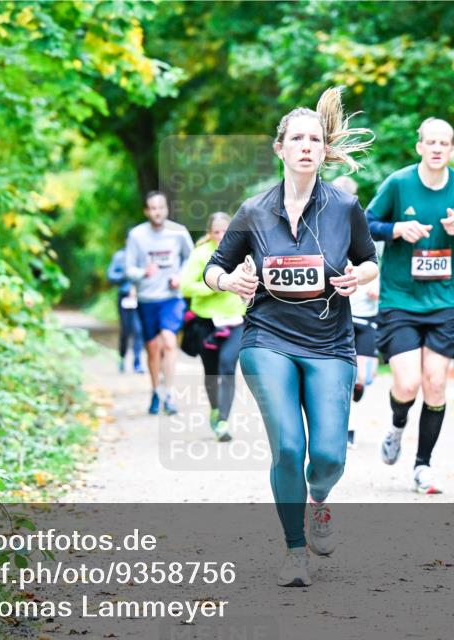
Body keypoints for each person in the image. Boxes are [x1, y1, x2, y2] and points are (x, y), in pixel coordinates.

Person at [204, 88, 378, 587]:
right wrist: (230, 281)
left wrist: (358, 278)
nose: (306, 146)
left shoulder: (345, 206)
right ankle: (294, 550)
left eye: (314, 139)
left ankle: (318, 501)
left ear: (325, 151)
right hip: (268, 339)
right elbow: (214, 269)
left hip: (329, 342)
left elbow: (368, 260)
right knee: (288, 447)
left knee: (327, 456)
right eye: (296, 138)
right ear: (279, 148)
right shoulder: (254, 211)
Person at [366, 117, 454, 495]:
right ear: (419, 146)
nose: (437, 148)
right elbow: (367, 222)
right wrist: (397, 230)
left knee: (435, 385)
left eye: (444, 143)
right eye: (430, 142)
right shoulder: (399, 184)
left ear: (452, 149)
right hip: (401, 298)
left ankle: (423, 466)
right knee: (408, 383)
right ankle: (397, 424)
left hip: (446, 300)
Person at [125, 191, 194, 415]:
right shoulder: (137, 236)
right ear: (146, 211)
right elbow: (128, 269)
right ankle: (156, 391)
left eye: (161, 207)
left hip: (171, 298)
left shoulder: (178, 232)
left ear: (167, 209)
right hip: (147, 299)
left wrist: (180, 276)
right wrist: (143, 272)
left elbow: (191, 259)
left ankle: (169, 393)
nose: (157, 212)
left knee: (168, 341)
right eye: (153, 208)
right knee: (153, 349)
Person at [180, 212, 247, 442]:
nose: (221, 236)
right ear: (209, 233)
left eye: (225, 231)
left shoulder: (241, 252)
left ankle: (223, 421)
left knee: (228, 365)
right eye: (216, 232)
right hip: (205, 322)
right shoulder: (200, 255)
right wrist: (216, 286)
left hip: (235, 320)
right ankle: (215, 409)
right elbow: (186, 287)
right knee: (211, 372)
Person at [333, 175, 382, 448]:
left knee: (360, 378)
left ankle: (351, 411)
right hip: (339, 315)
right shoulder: (322, 226)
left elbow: (377, 262)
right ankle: (345, 428)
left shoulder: (365, 228)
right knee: (340, 375)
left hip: (366, 314)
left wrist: (377, 285)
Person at [106, 246, 144, 374]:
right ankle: (122, 358)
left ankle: (137, 362)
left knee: (139, 330)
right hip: (125, 297)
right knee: (126, 330)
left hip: (142, 297)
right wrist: (126, 275)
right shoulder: (120, 256)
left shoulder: (144, 254)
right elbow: (110, 276)